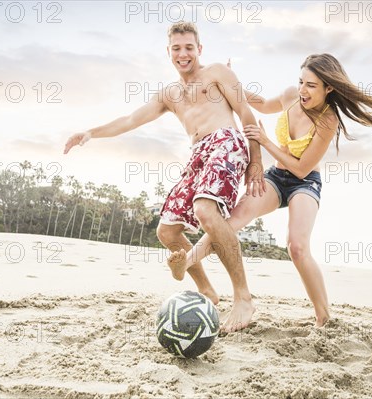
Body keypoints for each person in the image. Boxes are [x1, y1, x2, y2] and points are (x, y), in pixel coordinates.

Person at [168, 53, 372, 327]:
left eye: (312, 85)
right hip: (277, 177)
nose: (303, 90)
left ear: (329, 88)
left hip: (305, 183)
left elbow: (302, 169)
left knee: (297, 246)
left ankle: (323, 317)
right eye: (301, 81)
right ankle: (185, 263)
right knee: (229, 223)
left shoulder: (328, 121)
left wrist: (266, 142)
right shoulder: (292, 95)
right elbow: (262, 104)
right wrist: (229, 83)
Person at [63, 21, 266, 333]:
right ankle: (208, 291)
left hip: (227, 142)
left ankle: (243, 296)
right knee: (167, 232)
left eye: (189, 47)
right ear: (169, 52)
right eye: (176, 48)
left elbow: (247, 113)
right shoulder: (169, 94)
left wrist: (256, 161)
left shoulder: (217, 73)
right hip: (199, 152)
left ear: (200, 49)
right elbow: (130, 119)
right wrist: (90, 132)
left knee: (205, 209)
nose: (183, 54)